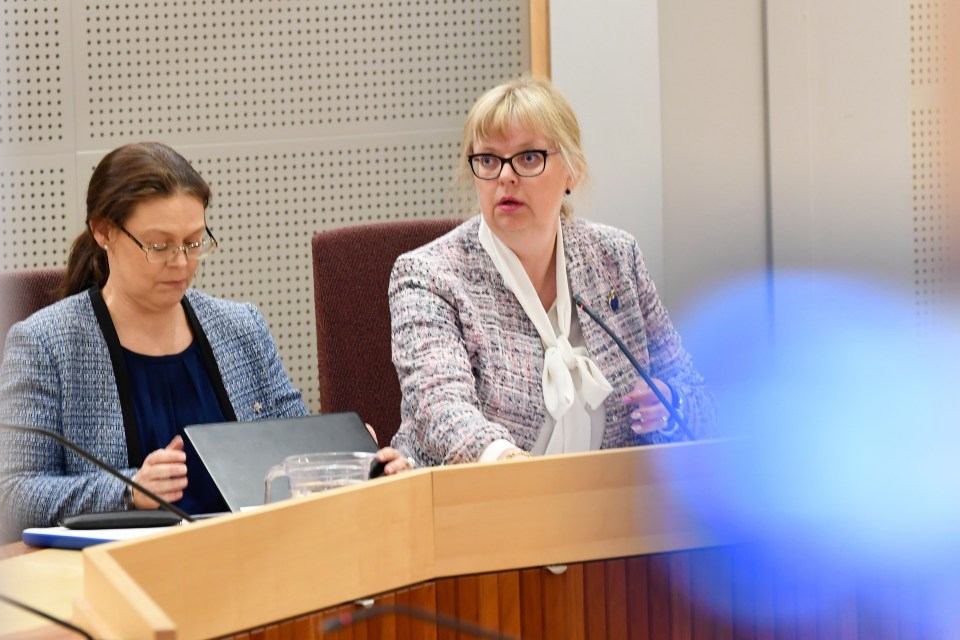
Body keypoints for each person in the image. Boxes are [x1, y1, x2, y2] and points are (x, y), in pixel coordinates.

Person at [0, 142, 410, 540]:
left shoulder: (240, 327)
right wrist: (128, 489)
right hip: (123, 572)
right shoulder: (45, 344)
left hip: (251, 554)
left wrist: (348, 462)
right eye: (158, 246)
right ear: (103, 232)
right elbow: (14, 493)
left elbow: (292, 449)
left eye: (193, 243)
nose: (180, 262)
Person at [389, 78, 715, 466]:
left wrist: (672, 404)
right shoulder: (429, 276)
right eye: (489, 160)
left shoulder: (615, 259)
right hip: (473, 509)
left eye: (528, 157)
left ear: (572, 172)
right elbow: (440, 408)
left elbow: (699, 396)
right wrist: (505, 460)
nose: (505, 177)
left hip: (606, 509)